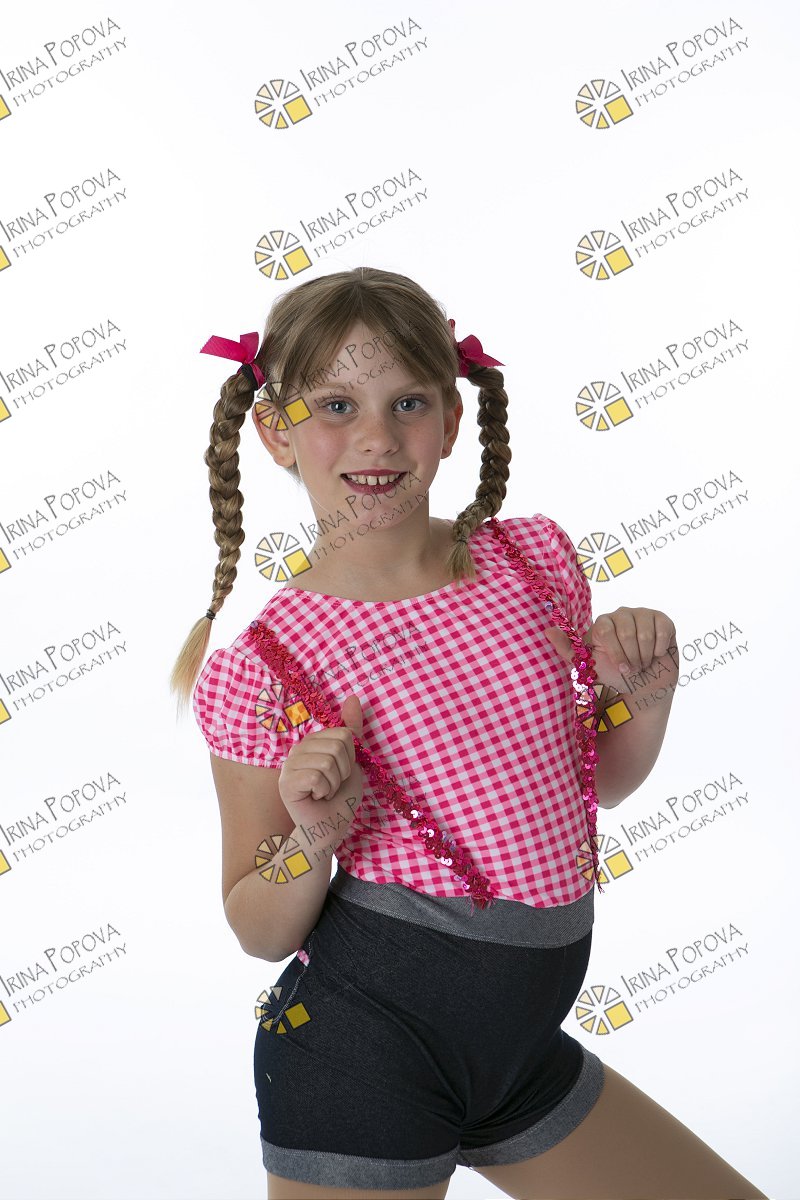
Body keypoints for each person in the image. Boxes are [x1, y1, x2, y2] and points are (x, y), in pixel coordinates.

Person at [171, 267, 769, 1200]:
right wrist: (316, 837)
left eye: (407, 402)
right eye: (337, 405)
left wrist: (641, 701)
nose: (377, 437)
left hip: (517, 1054)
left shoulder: (530, 561)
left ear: (452, 420)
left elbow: (592, 782)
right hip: (364, 1053)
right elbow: (256, 925)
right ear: (276, 430)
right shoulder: (268, 665)